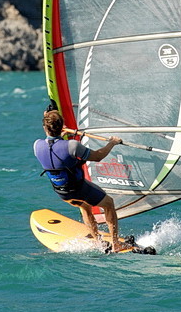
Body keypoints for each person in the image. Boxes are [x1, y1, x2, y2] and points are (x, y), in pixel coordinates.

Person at [34, 108, 126, 252]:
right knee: (108, 203)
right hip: (78, 189)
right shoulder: (72, 145)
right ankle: (115, 244)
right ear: (62, 125)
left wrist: (53, 126)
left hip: (61, 191)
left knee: (84, 206)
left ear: (45, 127)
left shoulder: (37, 145)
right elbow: (97, 156)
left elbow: (54, 148)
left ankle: (97, 242)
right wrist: (112, 143)